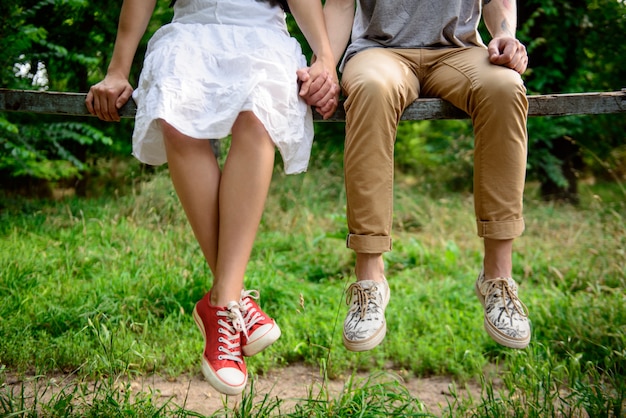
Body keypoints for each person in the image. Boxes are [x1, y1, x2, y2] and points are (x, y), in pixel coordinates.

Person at [86, 0, 338, 395]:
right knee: (175, 116)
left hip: (263, 34)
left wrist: (325, 57)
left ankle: (221, 303)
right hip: (189, 29)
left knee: (257, 116)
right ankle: (233, 300)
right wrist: (117, 70)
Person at [301, 0, 531, 352]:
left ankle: (497, 278)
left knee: (505, 88)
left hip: (460, 51)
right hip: (379, 53)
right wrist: (326, 64)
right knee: (371, 90)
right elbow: (343, 3)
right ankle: (369, 282)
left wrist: (504, 35)